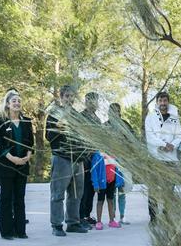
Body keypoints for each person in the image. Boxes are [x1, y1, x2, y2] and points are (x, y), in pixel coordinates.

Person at [47, 85, 89, 236]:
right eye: (67, 96)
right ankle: (56, 225)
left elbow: (83, 137)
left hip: (77, 159)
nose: (70, 99)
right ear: (61, 97)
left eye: (72, 96)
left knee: (76, 193)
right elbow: (49, 136)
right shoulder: (53, 114)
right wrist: (59, 128)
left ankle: (73, 222)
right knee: (58, 193)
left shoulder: (78, 116)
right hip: (61, 158)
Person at [0, 90, 33, 240]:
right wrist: (12, 158)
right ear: (8, 104)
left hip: (22, 165)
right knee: (6, 197)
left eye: (19, 101)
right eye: (14, 101)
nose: (17, 103)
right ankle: (7, 231)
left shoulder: (27, 121)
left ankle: (20, 230)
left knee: (20, 198)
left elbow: (30, 142)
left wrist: (27, 156)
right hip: (6, 165)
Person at [144, 91, 181, 223]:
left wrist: (172, 145)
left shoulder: (174, 117)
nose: (163, 103)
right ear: (157, 102)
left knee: (169, 189)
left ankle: (167, 215)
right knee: (154, 188)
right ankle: (153, 217)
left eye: (165, 101)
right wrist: (162, 144)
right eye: (160, 101)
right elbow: (149, 136)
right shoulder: (150, 117)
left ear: (168, 102)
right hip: (155, 157)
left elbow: (179, 136)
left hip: (170, 159)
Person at [106, 103, 133, 225]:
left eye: (116, 111)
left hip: (124, 160)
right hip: (110, 161)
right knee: (111, 190)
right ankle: (113, 217)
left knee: (122, 189)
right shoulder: (105, 126)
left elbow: (132, 140)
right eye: (112, 111)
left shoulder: (125, 125)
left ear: (119, 112)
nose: (114, 114)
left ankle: (122, 216)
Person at [79, 92, 102, 227]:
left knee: (92, 187)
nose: (93, 103)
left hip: (95, 157)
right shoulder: (81, 117)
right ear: (86, 102)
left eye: (95, 101)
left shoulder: (98, 119)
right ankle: (80, 216)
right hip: (84, 157)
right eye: (90, 101)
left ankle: (87, 215)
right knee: (84, 188)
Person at [90, 151, 125, 229]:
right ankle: (99, 222)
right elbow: (93, 170)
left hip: (111, 182)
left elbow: (118, 169)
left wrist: (120, 181)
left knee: (111, 200)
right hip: (101, 183)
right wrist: (95, 184)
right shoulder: (98, 155)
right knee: (100, 201)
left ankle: (111, 220)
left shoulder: (113, 154)